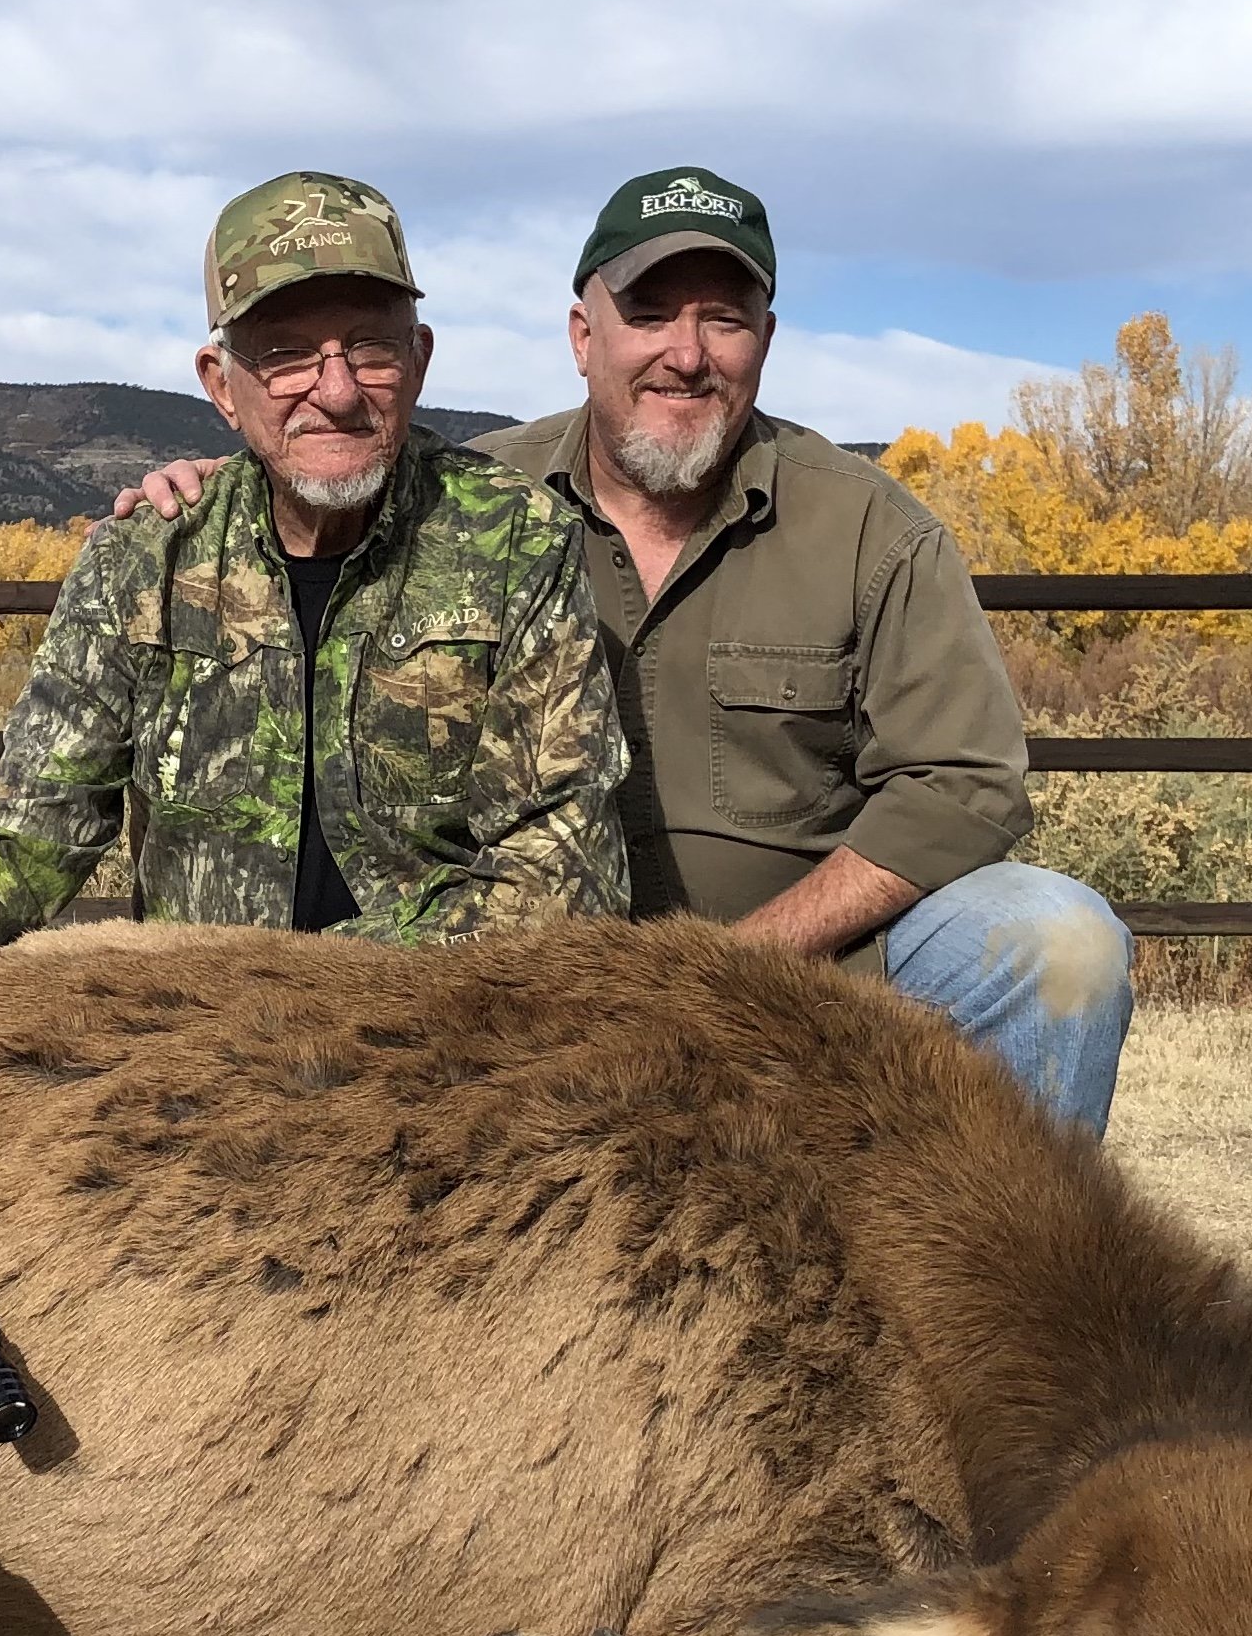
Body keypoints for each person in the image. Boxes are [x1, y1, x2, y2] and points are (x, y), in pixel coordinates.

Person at [124, 167, 1133, 1132]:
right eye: (649, 313)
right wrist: (209, 494)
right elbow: (316, 465)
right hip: (513, 973)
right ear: (582, 334)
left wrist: (738, 966)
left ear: (766, 339)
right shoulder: (467, 504)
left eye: (723, 319)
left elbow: (964, 784)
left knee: (1060, 943)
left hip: (804, 973)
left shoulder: (875, 531)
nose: (685, 354)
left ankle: (998, 1287)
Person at [0, 170, 630, 1029]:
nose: (334, 391)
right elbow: (28, 834)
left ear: (416, 360)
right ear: (221, 382)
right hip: (195, 1059)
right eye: (286, 354)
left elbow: (558, 884)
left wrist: (298, 985)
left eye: (368, 349)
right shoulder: (142, 561)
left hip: (438, 1044)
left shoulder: (516, 544)